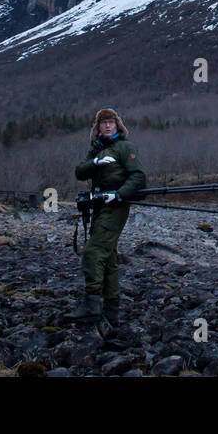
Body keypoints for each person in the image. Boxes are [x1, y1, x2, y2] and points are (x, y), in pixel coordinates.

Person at [64, 107, 146, 325]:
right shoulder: (96, 149)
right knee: (108, 258)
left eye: (111, 122)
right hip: (99, 206)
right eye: (103, 123)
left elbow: (138, 177)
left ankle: (91, 304)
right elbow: (80, 171)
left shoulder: (125, 147)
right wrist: (95, 162)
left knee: (93, 252)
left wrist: (119, 195)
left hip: (116, 207)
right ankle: (111, 312)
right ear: (98, 127)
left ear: (117, 125)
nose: (107, 126)